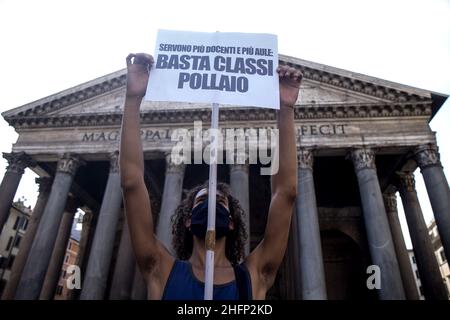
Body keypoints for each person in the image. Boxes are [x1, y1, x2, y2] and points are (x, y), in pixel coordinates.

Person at [120, 53, 302, 300]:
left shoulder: (254, 275)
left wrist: (285, 110)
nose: (210, 205)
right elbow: (132, 183)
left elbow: (286, 193)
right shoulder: (159, 269)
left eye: (219, 202)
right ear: (187, 221)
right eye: (202, 201)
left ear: (231, 223)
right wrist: (132, 99)